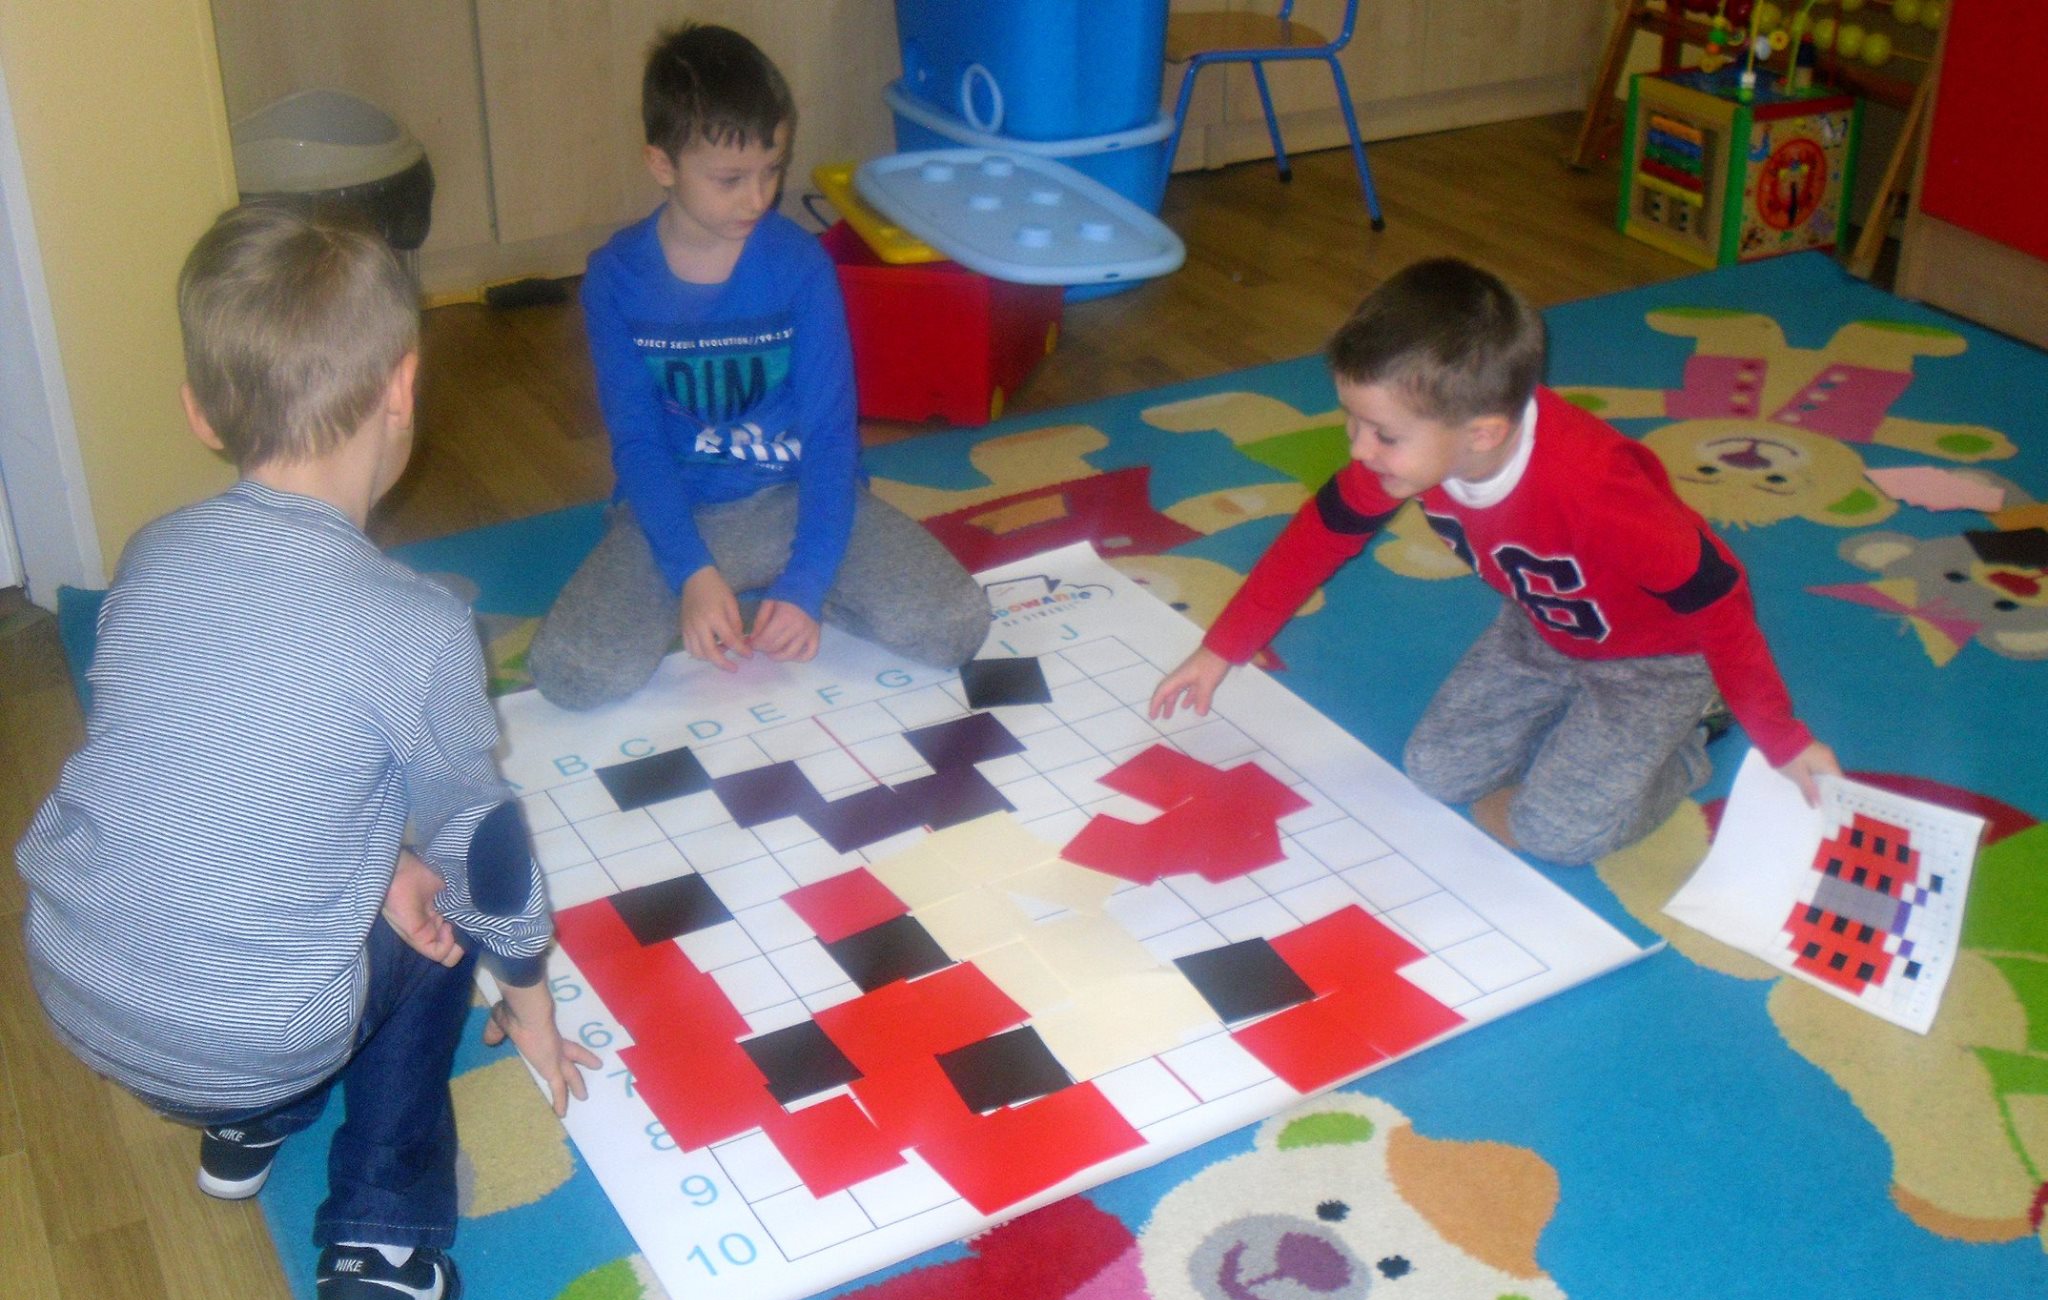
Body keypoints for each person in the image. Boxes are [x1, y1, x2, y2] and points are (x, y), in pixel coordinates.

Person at [15, 204, 597, 1300]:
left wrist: (377, 861)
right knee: (442, 925)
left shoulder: (152, 556)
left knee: (352, 864)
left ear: (199, 411)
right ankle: (381, 1240)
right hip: (249, 1027)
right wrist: (527, 993)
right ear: (403, 387)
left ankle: (250, 1121)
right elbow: (485, 849)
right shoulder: (416, 627)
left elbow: (218, 770)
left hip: (77, 981)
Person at [1150, 258, 1838, 866]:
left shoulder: (1596, 490)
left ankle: (1693, 731)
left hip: (1656, 659)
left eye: (1383, 433)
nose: (1359, 449)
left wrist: (1781, 738)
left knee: (1553, 832)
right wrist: (1221, 648)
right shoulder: (1414, 454)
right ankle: (1586, 722)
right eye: (1352, 421)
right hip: (1543, 627)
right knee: (1436, 771)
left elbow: (1718, 596)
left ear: (1482, 434)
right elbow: (1315, 538)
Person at [528, 22, 990, 710]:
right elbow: (638, 444)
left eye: (772, 170)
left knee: (955, 625)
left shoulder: (801, 267)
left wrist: (806, 584)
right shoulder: (616, 281)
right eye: (730, 179)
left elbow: (830, 436)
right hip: (680, 509)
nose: (758, 198)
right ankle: (716, 592)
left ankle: (792, 590)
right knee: (572, 676)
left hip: (798, 496)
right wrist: (690, 572)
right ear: (662, 165)